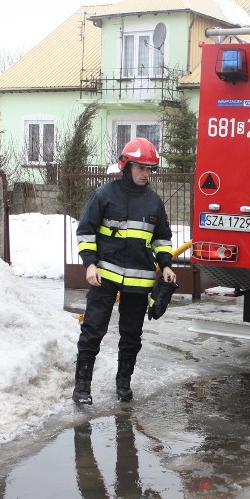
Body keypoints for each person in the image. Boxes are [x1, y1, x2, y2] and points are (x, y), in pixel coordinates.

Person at [73, 137, 176, 405]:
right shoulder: (104, 195)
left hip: (139, 282)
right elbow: (85, 232)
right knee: (93, 331)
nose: (146, 174)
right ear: (126, 165)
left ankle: (123, 384)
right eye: (141, 167)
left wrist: (165, 264)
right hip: (104, 277)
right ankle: (82, 387)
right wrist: (90, 263)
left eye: (150, 169)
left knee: (131, 336)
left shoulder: (154, 202)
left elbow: (162, 239)